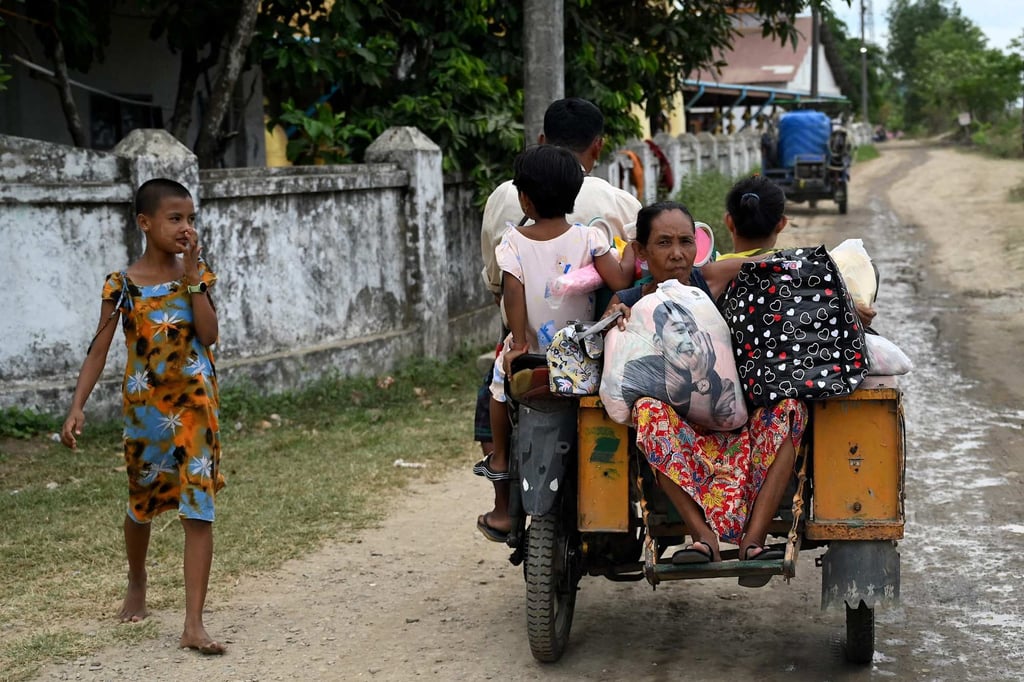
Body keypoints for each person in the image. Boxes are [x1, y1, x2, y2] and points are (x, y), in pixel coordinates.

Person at [602, 199, 806, 587]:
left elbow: (776, 266)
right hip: (683, 435)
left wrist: (848, 299)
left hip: (738, 426)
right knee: (647, 411)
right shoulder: (628, 302)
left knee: (791, 408)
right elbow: (607, 341)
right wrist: (614, 321)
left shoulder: (707, 278)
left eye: (685, 241)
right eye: (663, 243)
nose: (677, 254)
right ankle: (703, 538)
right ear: (641, 251)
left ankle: (754, 542)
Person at [60, 178, 227, 653]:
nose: (185, 227)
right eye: (175, 218)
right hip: (146, 415)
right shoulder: (122, 284)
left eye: (191, 218)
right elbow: (99, 349)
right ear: (145, 222)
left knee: (198, 509)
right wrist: (77, 405)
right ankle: (137, 578)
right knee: (141, 506)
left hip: (195, 409)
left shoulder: (196, 274)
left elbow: (209, 335)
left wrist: (193, 277)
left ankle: (193, 624)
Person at [472, 97, 641, 495]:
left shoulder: (505, 202)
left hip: (527, 348)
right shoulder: (616, 207)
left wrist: (519, 340)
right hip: (593, 348)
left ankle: (503, 490)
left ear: (541, 140)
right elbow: (626, 279)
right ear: (597, 147)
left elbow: (501, 285)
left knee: (493, 395)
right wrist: (631, 248)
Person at [618, 299, 738, 429]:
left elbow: (714, 428)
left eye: (691, 332)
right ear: (659, 343)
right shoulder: (640, 373)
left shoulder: (717, 383)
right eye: (680, 331)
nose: (689, 340)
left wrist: (701, 377)